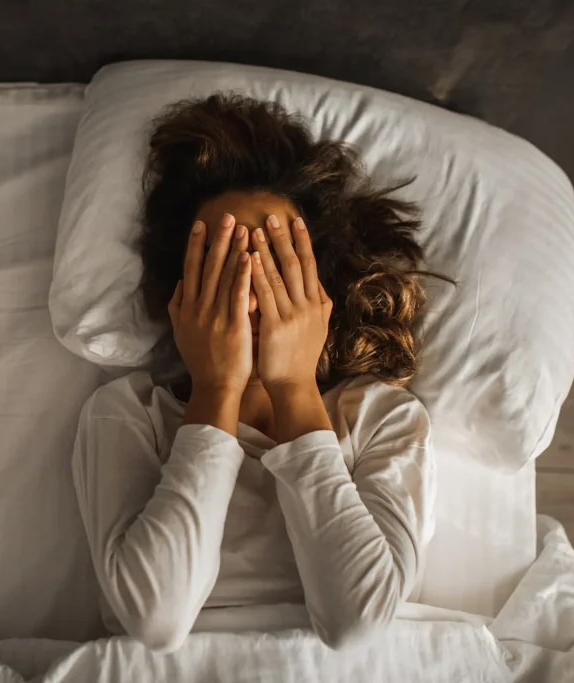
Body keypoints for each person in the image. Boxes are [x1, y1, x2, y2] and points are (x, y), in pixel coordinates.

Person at [71, 94, 438, 653]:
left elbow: (358, 623)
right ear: (180, 295)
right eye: (222, 267)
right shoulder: (128, 414)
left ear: (319, 289)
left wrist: (294, 388)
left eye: (276, 262)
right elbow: (156, 620)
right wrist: (217, 389)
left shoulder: (381, 417)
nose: (252, 290)